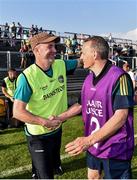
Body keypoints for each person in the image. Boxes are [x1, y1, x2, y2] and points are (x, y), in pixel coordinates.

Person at [59, 36, 134, 179]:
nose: (80, 57)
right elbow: (81, 105)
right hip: (94, 144)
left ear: (94, 54)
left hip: (115, 147)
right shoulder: (88, 79)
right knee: (92, 177)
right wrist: (59, 118)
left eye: (83, 53)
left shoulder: (119, 77)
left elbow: (121, 116)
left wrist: (88, 140)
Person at [13, 32, 81, 179]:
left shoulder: (61, 65)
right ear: (37, 50)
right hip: (38, 136)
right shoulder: (27, 77)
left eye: (55, 46)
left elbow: (82, 61)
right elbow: (17, 112)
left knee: (52, 167)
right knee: (46, 176)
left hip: (56, 131)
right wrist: (45, 122)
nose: (55, 50)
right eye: (50, 46)